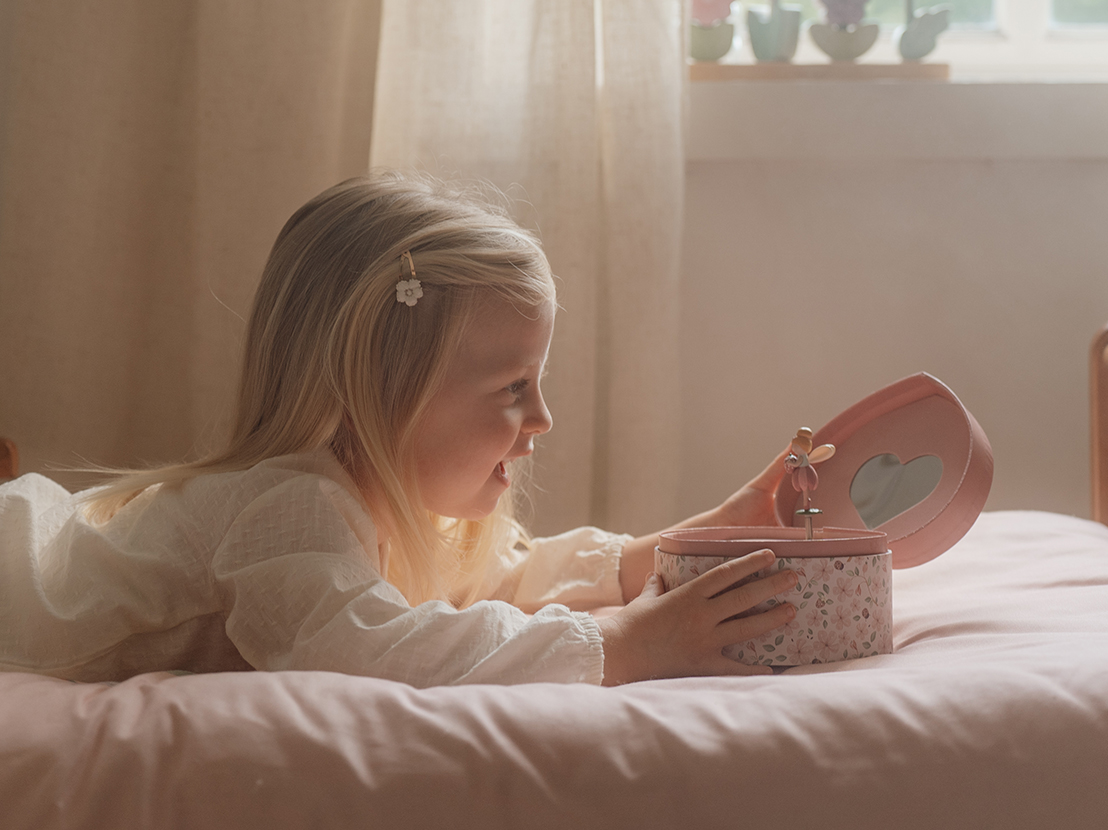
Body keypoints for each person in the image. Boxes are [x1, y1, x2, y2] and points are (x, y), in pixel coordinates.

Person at [0, 174, 797, 687]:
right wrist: (620, 644)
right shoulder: (288, 510)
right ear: (381, 393)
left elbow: (507, 584)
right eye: (513, 387)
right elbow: (370, 652)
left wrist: (669, 553)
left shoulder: (396, 511)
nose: (543, 420)